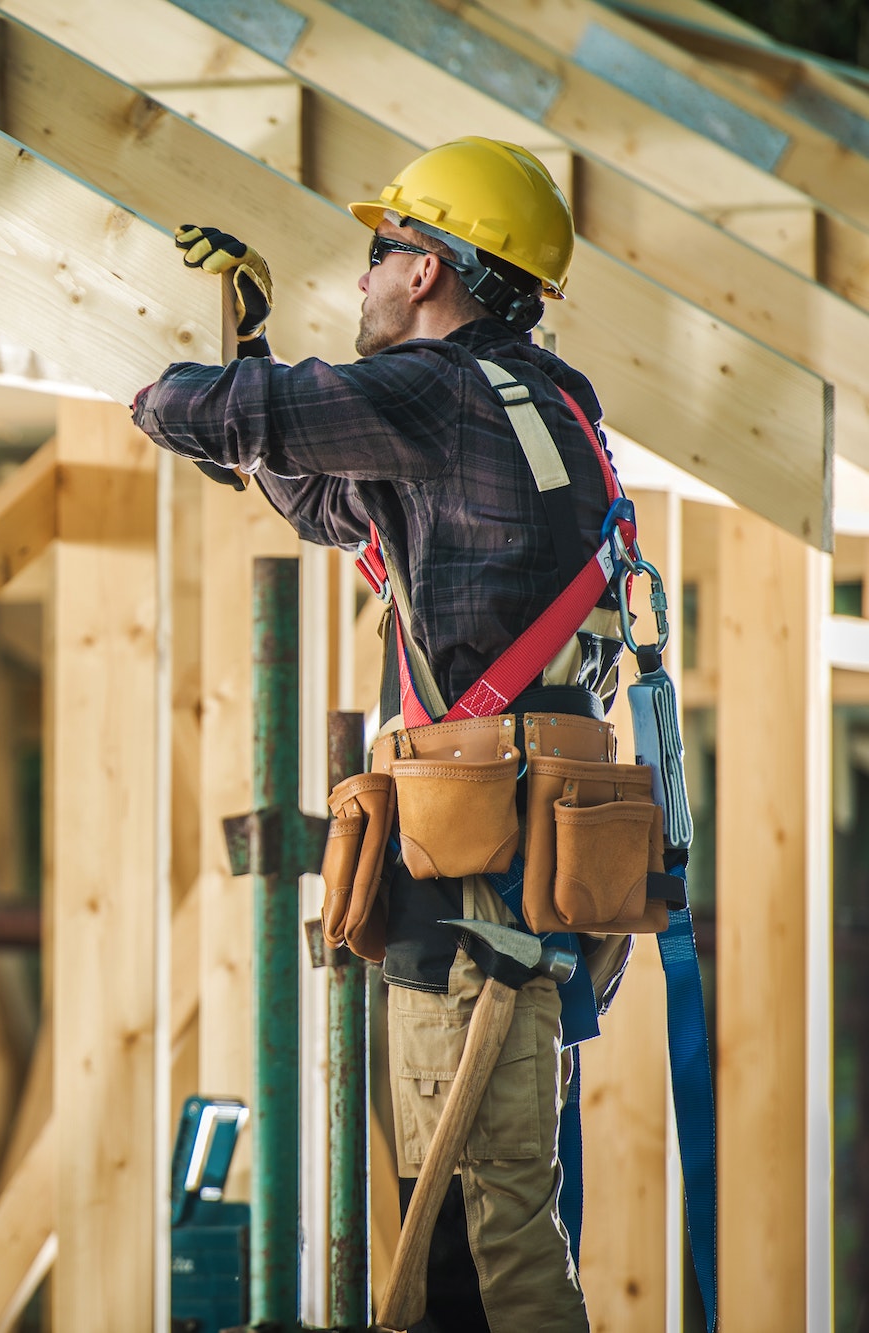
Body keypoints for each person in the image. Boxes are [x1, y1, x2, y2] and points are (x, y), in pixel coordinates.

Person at [132, 137, 633, 1332]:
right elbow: (317, 495)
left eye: (375, 251)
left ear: (426, 270)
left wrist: (173, 371)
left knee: (478, 1244)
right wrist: (251, 344)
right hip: (521, 861)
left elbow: (212, 413)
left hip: (469, 880)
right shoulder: (540, 406)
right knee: (482, 1213)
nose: (358, 279)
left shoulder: (438, 391)